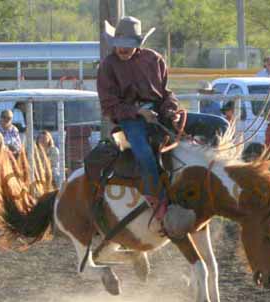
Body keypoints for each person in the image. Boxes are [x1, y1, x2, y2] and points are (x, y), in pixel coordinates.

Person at [98, 16, 229, 220]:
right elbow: (109, 106)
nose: (122, 49)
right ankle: (158, 200)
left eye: (127, 45)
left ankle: (216, 175)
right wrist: (138, 112)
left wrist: (171, 111)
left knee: (220, 125)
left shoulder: (154, 59)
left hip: (161, 113)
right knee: (144, 153)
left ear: (138, 44)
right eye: (119, 45)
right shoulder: (108, 66)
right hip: (130, 120)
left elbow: (167, 93)